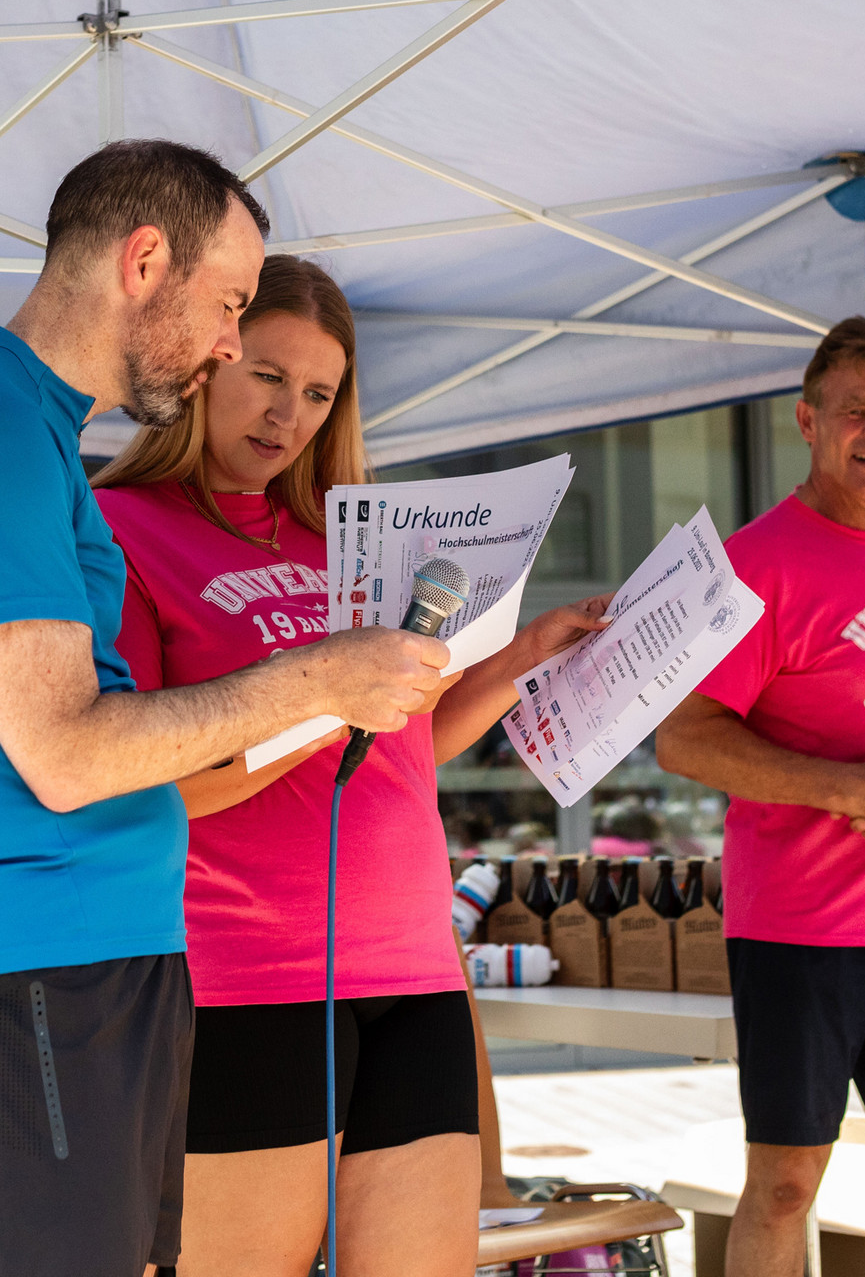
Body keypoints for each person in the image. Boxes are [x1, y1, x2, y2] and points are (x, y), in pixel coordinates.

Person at [93, 253, 613, 1277]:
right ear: (205, 364)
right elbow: (137, 778)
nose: (291, 414)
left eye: (320, 392)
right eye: (271, 377)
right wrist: (320, 697)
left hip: (413, 972)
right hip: (245, 981)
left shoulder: (353, 538)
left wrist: (517, 660)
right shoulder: (121, 533)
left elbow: (397, 748)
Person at [0, 142, 450, 1277]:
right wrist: (317, 680)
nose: (221, 346)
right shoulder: (9, 427)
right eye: (229, 308)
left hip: (113, 964)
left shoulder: (39, 427)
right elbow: (59, 750)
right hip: (54, 965)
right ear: (145, 262)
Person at [656, 316, 865, 1277]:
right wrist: (853, 789)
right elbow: (684, 736)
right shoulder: (756, 565)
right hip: (803, 924)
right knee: (789, 1179)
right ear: (806, 420)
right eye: (857, 410)